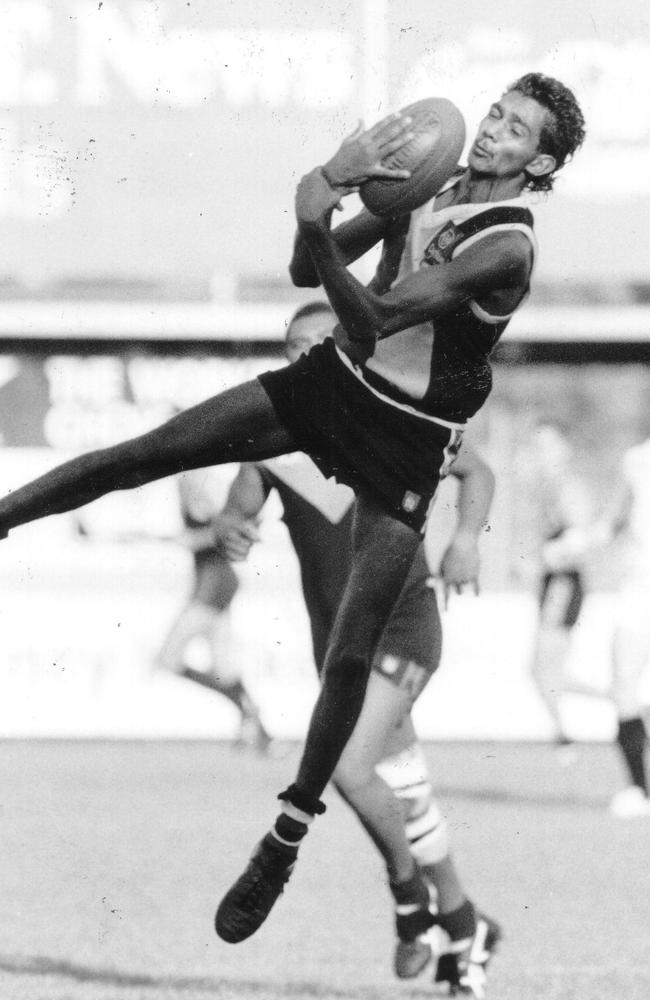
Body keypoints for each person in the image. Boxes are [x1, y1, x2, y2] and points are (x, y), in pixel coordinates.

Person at [0, 72, 585, 947]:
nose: (492, 128)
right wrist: (333, 183)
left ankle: (287, 833)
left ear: (539, 161)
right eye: (494, 112)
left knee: (349, 651)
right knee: (148, 452)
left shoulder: (508, 246)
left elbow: (377, 317)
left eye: (514, 128)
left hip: (408, 438)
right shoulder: (434, 187)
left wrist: (316, 208)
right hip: (338, 387)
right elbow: (301, 272)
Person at [211, 301, 499, 992]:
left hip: (405, 624)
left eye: (320, 342)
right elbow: (237, 506)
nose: (307, 356)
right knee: (405, 790)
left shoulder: (402, 420)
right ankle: (465, 927)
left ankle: (411, 905)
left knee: (348, 767)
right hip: (340, 649)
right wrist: (229, 524)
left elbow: (478, 474)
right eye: (295, 347)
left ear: (351, 350)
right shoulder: (275, 445)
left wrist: (463, 539)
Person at [156, 468, 271, 753]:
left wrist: (195, 539)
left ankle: (249, 714)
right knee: (224, 671)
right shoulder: (190, 483)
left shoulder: (199, 484)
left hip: (214, 586)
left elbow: (231, 526)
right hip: (216, 584)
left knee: (169, 659)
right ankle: (258, 727)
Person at [524, 420, 595, 752]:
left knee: (546, 667)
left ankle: (627, 706)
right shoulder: (548, 488)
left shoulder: (569, 487)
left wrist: (547, 557)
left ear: (563, 450)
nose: (541, 455)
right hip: (553, 581)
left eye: (547, 446)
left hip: (563, 583)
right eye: (538, 447)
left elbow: (583, 538)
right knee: (543, 669)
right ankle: (564, 735)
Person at [597, 434, 650, 817]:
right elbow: (612, 523)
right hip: (639, 591)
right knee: (623, 687)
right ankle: (639, 790)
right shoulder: (637, 459)